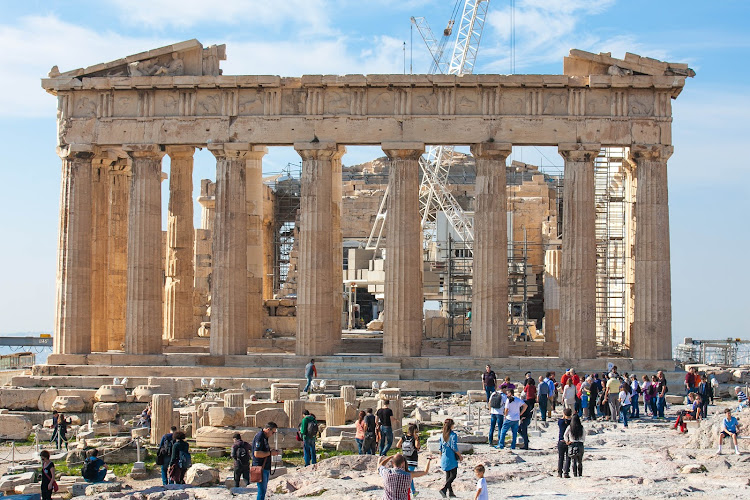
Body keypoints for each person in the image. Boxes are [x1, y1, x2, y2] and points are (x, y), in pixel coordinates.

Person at [252, 422, 280, 500]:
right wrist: (271, 453)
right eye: (273, 432)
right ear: (268, 429)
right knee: (261, 490)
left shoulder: (264, 437)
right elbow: (256, 453)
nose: (273, 434)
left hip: (265, 466)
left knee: (263, 490)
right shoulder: (259, 437)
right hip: (260, 467)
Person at [396, 423, 421, 497]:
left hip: (405, 458)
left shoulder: (404, 437)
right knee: (410, 475)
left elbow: (397, 445)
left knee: (407, 475)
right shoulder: (415, 438)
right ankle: (413, 491)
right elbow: (417, 446)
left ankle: (409, 491)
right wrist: (417, 439)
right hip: (412, 459)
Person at [439, 419, 461, 498]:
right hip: (451, 457)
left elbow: (440, 448)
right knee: (453, 475)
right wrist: (460, 455)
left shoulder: (442, 435)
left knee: (448, 475)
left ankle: (451, 492)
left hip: (444, 457)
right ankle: (444, 489)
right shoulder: (453, 435)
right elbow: (454, 447)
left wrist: (441, 457)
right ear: (451, 425)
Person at [519, 378, 536, 450]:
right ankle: (526, 441)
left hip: (525, 418)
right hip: (527, 416)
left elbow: (524, 410)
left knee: (523, 430)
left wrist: (521, 416)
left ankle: (526, 444)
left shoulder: (524, 403)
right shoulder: (533, 387)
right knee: (520, 429)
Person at [557, 408, 573, 477]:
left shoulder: (561, 421)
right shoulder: (572, 421)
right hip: (569, 441)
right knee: (568, 457)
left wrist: (563, 417)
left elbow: (560, 421)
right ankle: (566, 472)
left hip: (561, 441)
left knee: (561, 458)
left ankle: (559, 472)